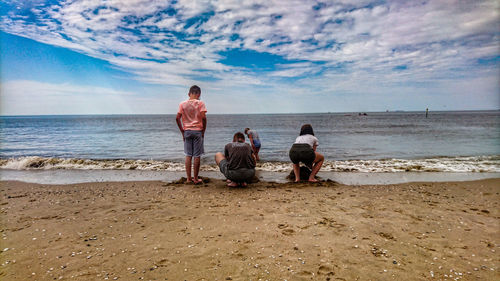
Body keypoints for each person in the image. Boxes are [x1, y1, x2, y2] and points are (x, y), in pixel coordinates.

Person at [176, 85, 207, 184]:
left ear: (189, 94)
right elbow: (204, 118)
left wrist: (182, 131)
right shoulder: (200, 103)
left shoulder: (182, 104)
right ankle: (196, 179)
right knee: (197, 156)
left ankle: (189, 179)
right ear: (199, 94)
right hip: (197, 130)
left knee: (188, 155)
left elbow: (177, 118)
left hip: (187, 131)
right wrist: (203, 131)